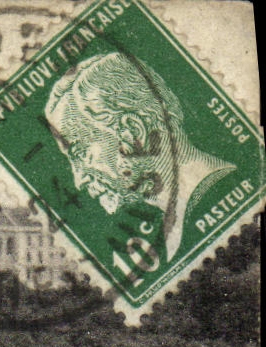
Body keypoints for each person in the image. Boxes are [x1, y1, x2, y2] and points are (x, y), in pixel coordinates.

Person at [44, 51, 235, 259]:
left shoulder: (220, 199)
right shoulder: (179, 228)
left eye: (81, 153)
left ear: (132, 132)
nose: (79, 180)